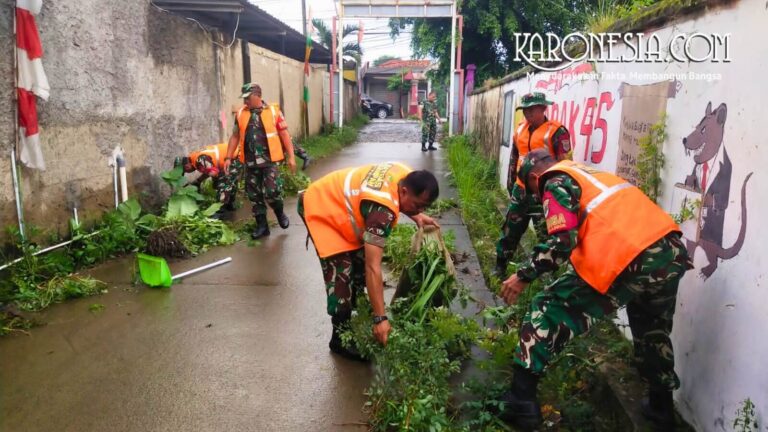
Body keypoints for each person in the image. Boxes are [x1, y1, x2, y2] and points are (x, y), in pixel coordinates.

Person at [497, 149, 692, 431]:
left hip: (631, 259)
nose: (538, 198)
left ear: (535, 176)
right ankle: (661, 408)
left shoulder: (553, 181)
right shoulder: (590, 173)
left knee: (546, 309)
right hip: (669, 252)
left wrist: (524, 275)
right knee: (652, 330)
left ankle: (520, 401)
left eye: (533, 190)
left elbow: (562, 241)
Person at [298, 162, 440, 360]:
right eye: (418, 205)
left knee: (358, 267)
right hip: (321, 207)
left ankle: (354, 317)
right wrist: (380, 318)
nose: (418, 210)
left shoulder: (405, 175)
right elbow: (373, 267)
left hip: (338, 201)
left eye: (424, 206)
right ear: (405, 191)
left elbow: (403, 200)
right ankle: (339, 340)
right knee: (342, 275)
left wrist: (417, 214)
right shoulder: (381, 214)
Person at [495, 92, 572, 278]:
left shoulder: (557, 132)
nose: (528, 114)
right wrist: (511, 182)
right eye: (525, 110)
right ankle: (500, 266)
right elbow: (515, 157)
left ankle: (549, 278)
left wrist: (560, 193)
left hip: (544, 193)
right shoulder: (520, 129)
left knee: (547, 236)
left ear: (543, 108)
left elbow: (566, 164)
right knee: (510, 230)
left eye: (532, 110)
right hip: (521, 189)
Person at [223, 82, 297, 239]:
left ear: (257, 96)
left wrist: (291, 157)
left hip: (269, 161)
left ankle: (279, 213)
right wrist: (228, 157)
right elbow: (235, 136)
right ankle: (262, 227)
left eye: (248, 98)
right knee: (254, 196)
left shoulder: (273, 112)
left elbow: (284, 134)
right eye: (244, 99)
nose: (245, 102)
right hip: (250, 163)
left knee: (272, 191)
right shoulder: (241, 113)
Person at [175, 143, 237, 213]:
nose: (188, 172)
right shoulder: (194, 157)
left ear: (186, 166)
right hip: (233, 154)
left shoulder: (200, 160)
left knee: (222, 183)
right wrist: (198, 181)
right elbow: (208, 169)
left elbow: (214, 173)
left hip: (234, 156)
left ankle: (220, 210)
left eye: (186, 171)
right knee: (227, 181)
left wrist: (217, 182)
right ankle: (229, 204)